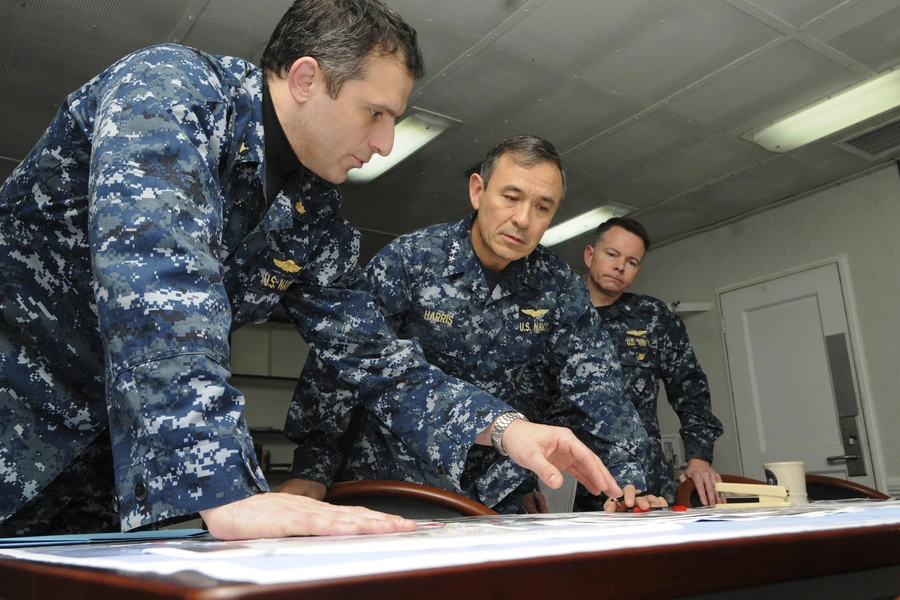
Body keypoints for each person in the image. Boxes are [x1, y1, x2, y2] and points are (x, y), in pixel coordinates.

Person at [0, 1, 619, 541]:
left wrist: (504, 428)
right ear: (305, 79)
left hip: (103, 463)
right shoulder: (170, 92)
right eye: (376, 114)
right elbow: (159, 288)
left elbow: (371, 355)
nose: (383, 143)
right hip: (18, 413)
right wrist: (221, 489)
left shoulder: (312, 209)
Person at [281, 135, 662, 513]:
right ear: (478, 191)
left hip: (497, 491)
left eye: (542, 207)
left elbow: (599, 386)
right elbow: (342, 362)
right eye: (511, 198)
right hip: (396, 481)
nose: (523, 220)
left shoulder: (558, 286)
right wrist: (313, 468)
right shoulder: (412, 260)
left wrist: (626, 482)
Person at [583, 217, 725, 506]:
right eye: (611, 254)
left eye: (631, 261)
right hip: (568, 480)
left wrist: (699, 457)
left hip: (641, 482)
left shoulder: (652, 316)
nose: (620, 266)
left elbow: (690, 387)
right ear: (590, 255)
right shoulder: (557, 315)